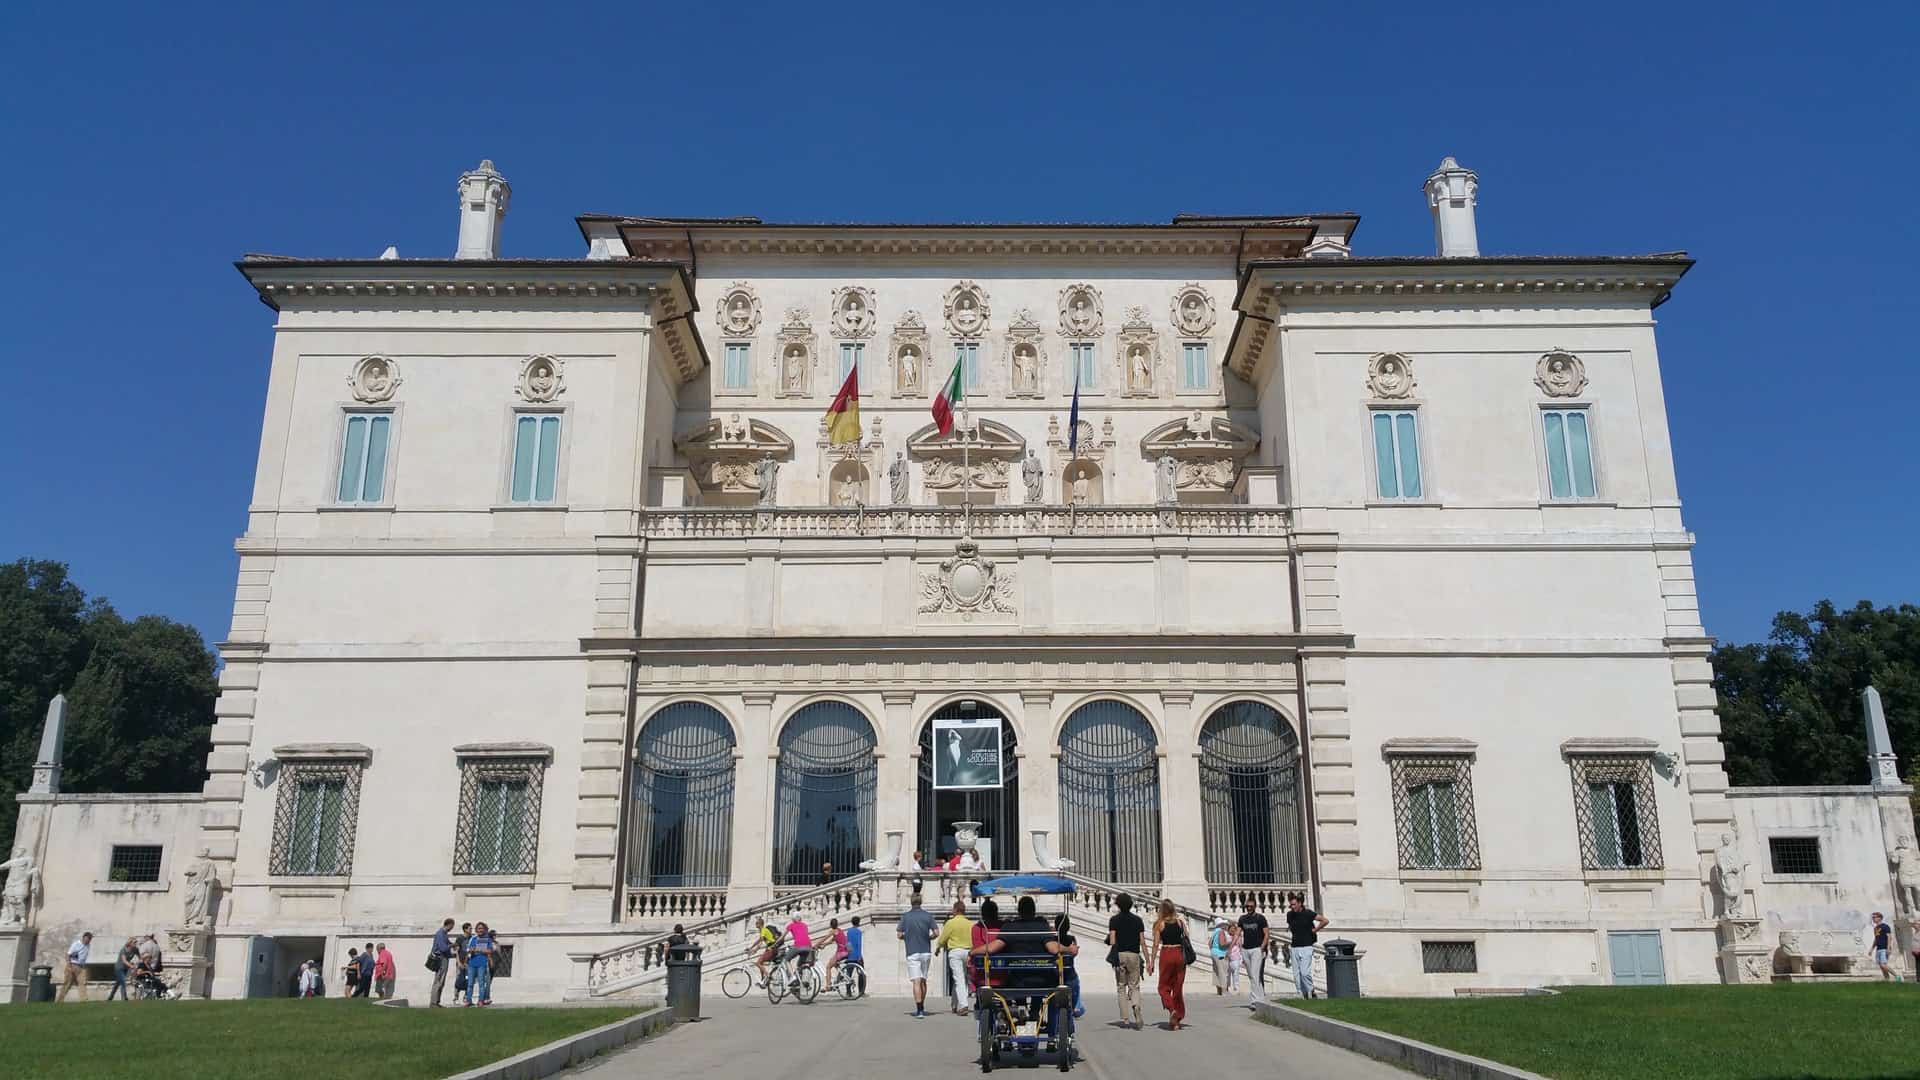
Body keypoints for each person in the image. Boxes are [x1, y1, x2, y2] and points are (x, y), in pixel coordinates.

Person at [976, 896, 1068, 1046]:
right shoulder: (1042, 926)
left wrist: (973, 952)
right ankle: (1036, 1014)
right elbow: (1053, 948)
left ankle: (1020, 1011)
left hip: (1017, 981)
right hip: (1042, 980)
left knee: (1012, 980)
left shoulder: (1010, 927)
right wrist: (1069, 948)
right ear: (1034, 910)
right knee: (1049, 985)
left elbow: (992, 948)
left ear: (1018, 910)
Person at [1145, 899, 1187, 1030]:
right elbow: (1186, 937)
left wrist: (1151, 961)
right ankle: (1177, 1019)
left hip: (1167, 953)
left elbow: (1156, 944)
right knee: (1178, 986)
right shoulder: (1180, 923)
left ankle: (1172, 1009)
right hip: (1179, 953)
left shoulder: (1160, 924)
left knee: (1163, 987)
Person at [1106, 893, 1146, 1029]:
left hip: (1120, 954)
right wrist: (1148, 959)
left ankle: (1125, 1018)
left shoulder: (1114, 920)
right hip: (1134, 954)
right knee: (1134, 985)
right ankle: (1136, 1005)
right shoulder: (1138, 920)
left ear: (1118, 904)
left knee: (1121, 986)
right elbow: (1142, 941)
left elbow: (1112, 941)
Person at [897, 892, 939, 1018]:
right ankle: (922, 1005)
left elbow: (899, 934)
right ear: (920, 902)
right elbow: (936, 932)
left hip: (912, 951)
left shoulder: (906, 916)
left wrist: (906, 937)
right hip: (925, 951)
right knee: (923, 981)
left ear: (911, 902)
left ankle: (919, 1009)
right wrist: (929, 938)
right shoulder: (928, 916)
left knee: (916, 981)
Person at [1285, 893, 1328, 999]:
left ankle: (1311, 989)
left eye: (1294, 904)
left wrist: (1315, 930)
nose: (1292, 907)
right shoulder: (1289, 915)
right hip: (1295, 946)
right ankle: (1303, 994)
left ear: (1300, 903)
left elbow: (1325, 920)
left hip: (1307, 946)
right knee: (1296, 974)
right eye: (1291, 905)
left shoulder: (1308, 913)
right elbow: (1290, 926)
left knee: (1304, 972)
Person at [939, 900, 975, 1014]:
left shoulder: (950, 923)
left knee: (959, 978)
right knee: (959, 978)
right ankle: (954, 1004)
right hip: (968, 952)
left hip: (955, 952)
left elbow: (943, 938)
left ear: (955, 910)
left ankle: (963, 1005)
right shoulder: (970, 923)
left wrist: (937, 948)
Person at [1236, 899, 1270, 1006]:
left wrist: (1262, 947)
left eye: (1251, 906)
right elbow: (1237, 933)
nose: (1249, 908)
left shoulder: (1260, 918)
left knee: (1255, 974)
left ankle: (1254, 1000)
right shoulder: (1242, 919)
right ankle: (1261, 998)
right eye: (1247, 906)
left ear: (1255, 906)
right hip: (1246, 949)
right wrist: (1236, 946)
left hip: (1257, 949)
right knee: (1251, 975)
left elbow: (1266, 934)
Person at [1056, 913, 1085, 1019]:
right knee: (1075, 982)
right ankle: (1076, 1007)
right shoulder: (1071, 938)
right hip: (1068, 972)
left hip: (1055, 972)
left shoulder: (1053, 939)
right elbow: (1074, 953)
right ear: (1068, 926)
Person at [465, 922, 495, 1006]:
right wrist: (470, 951)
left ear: (484, 930)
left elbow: (490, 951)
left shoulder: (487, 939)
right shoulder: (473, 939)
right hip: (472, 963)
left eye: (482, 928)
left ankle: (480, 1000)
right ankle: (468, 1000)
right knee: (470, 983)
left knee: (481, 983)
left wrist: (480, 950)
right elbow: (468, 950)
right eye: (478, 928)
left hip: (482, 963)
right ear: (476, 930)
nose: (480, 930)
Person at [56, 931, 92, 1001]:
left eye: (89, 939)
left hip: (81, 967)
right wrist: (69, 965)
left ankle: (84, 1000)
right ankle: (60, 999)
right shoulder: (76, 944)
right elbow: (68, 954)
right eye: (87, 939)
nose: (88, 941)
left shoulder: (88, 945)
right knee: (67, 983)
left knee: (82, 983)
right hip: (72, 964)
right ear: (83, 938)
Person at [429, 917, 457, 1006]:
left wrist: (452, 945)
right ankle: (433, 1002)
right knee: (438, 981)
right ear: (449, 925)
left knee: (441, 981)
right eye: (452, 926)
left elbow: (448, 943)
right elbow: (443, 948)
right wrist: (451, 945)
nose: (452, 929)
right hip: (440, 959)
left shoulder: (444, 934)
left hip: (444, 959)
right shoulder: (440, 934)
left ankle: (437, 1001)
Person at [1870, 912, 1900, 981]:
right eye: (1872, 917)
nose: (1873, 919)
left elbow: (1889, 937)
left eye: (1874, 917)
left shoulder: (1885, 926)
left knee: (1883, 964)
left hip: (1884, 948)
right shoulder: (1875, 928)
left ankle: (1897, 976)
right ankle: (1887, 979)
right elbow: (1876, 939)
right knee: (1881, 966)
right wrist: (1872, 949)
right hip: (1878, 948)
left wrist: (1888, 948)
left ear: (1879, 918)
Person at [1208, 917, 1233, 995]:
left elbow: (1209, 943)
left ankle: (1219, 990)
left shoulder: (1214, 932)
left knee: (1216, 972)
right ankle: (1224, 990)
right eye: (1225, 924)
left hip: (1214, 953)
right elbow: (1222, 943)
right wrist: (1230, 942)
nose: (1226, 926)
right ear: (1221, 925)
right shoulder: (1221, 932)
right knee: (1223, 972)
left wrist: (1214, 949)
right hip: (1221, 954)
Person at [753, 915, 780, 987]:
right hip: (771, 948)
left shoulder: (763, 930)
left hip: (772, 948)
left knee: (758, 962)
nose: (755, 924)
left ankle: (768, 976)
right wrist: (752, 948)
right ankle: (763, 980)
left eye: (756, 923)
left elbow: (760, 941)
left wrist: (754, 949)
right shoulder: (763, 930)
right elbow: (759, 942)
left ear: (760, 924)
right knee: (760, 962)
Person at [108, 937, 137, 1002]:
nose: (135, 943)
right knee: (123, 981)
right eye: (134, 942)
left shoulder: (135, 949)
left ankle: (110, 998)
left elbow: (140, 957)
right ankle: (124, 998)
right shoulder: (123, 950)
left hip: (125, 969)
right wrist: (131, 966)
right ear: (130, 943)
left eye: (136, 942)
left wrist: (139, 962)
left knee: (117, 983)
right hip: (118, 968)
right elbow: (124, 960)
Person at [823, 917, 849, 986]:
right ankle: (842, 975)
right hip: (846, 952)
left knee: (828, 967)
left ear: (831, 925)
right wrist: (824, 945)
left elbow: (824, 939)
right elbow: (831, 940)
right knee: (835, 963)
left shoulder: (833, 931)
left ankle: (828, 985)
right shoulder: (840, 930)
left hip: (841, 953)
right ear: (837, 924)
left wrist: (816, 945)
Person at [845, 916, 866, 994]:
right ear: (859, 923)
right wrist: (859, 956)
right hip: (857, 955)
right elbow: (859, 944)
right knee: (861, 974)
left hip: (850, 955)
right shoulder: (858, 932)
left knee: (848, 974)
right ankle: (861, 991)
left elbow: (847, 943)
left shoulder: (849, 931)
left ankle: (848, 991)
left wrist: (849, 952)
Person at [454, 922, 473, 1000]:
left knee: (468, 978)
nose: (471, 930)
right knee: (459, 978)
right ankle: (456, 996)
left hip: (469, 962)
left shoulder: (472, 938)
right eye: (470, 928)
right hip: (460, 962)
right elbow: (456, 951)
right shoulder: (460, 938)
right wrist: (458, 962)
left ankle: (466, 996)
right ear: (465, 929)